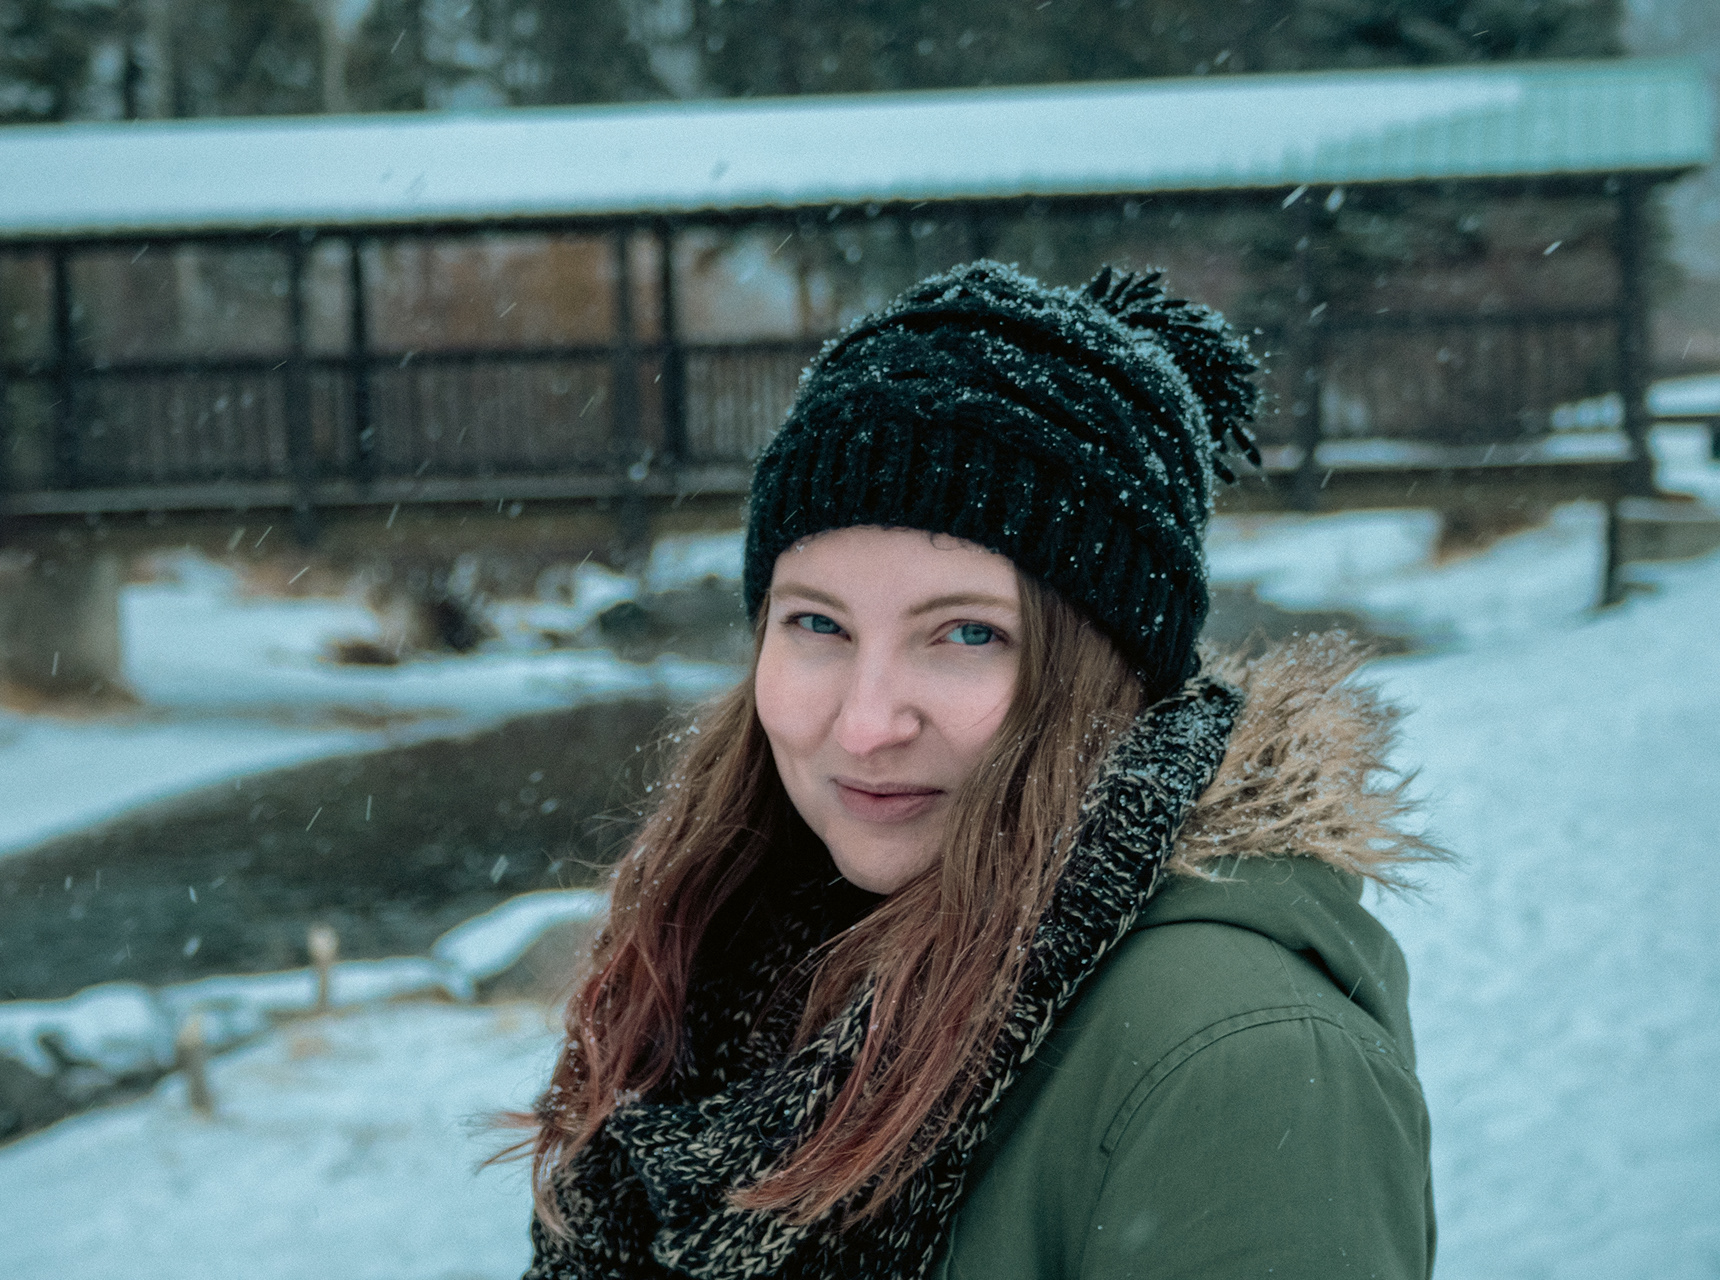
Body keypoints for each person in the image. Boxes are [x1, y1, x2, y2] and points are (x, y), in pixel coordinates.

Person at [520, 261, 1438, 1279]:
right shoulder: (741, 966)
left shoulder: (1238, 1061)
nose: (866, 722)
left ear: (1109, 673)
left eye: (965, 632)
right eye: (817, 623)